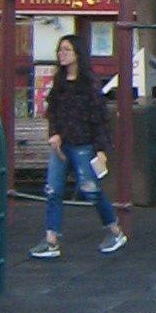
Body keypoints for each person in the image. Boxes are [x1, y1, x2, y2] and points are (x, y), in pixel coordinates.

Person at [31, 32, 126, 258]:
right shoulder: (60, 82)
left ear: (77, 54)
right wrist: (53, 133)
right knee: (53, 190)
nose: (61, 54)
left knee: (90, 189)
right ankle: (51, 239)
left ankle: (114, 229)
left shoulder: (90, 84)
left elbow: (100, 118)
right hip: (62, 145)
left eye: (66, 50)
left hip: (83, 144)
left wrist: (101, 150)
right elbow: (52, 110)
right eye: (60, 50)